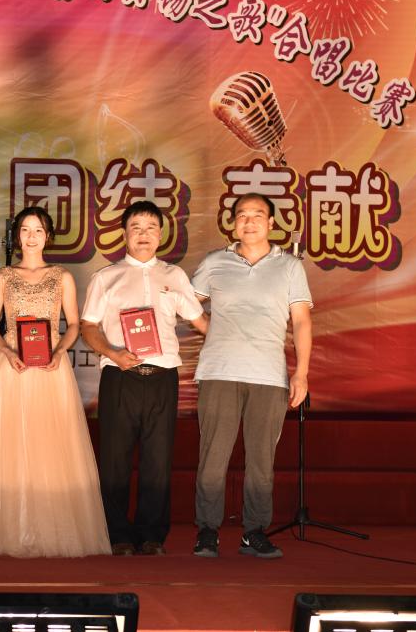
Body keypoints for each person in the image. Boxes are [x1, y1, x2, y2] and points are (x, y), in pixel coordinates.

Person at [0, 207, 110, 557]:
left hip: (50, 367)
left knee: (52, 445)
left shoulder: (61, 276)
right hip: (12, 366)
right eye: (25, 230)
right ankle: (10, 532)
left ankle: (53, 530)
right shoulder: (3, 276)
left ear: (48, 236)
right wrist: (6, 350)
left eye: (38, 230)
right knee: (11, 445)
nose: (31, 236)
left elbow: (74, 324)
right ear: (17, 236)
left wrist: (60, 351)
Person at [81, 200, 207, 556]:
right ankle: (117, 535)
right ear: (124, 234)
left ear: (161, 235)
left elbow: (200, 322)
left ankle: (152, 536)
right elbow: (88, 327)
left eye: (151, 228)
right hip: (120, 376)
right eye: (136, 227)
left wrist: (233, 342)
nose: (143, 234)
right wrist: (113, 353)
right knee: (114, 459)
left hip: (163, 376)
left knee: (158, 459)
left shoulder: (174, 276)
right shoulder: (106, 277)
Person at [190, 192, 312, 560]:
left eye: (258, 215)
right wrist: (211, 329)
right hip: (219, 371)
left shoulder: (289, 266)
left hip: (269, 376)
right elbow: (185, 304)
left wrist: (302, 373)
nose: (249, 221)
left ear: (271, 223)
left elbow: (301, 320)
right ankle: (207, 531)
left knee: (261, 460)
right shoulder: (215, 262)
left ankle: (254, 531)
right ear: (233, 223)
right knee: (213, 456)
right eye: (242, 215)